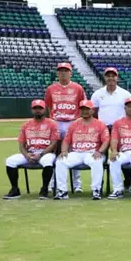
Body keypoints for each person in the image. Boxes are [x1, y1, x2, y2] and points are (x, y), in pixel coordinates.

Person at [3, 100, 59, 200]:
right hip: (30, 153)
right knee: (10, 161)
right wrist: (26, 155)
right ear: (32, 110)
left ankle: (44, 189)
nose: (38, 110)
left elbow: (53, 143)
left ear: (45, 109)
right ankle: (15, 189)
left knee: (47, 161)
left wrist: (40, 154)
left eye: (40, 108)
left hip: (46, 153)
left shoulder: (52, 124)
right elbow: (21, 144)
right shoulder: (26, 125)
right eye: (35, 108)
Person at [55, 100, 110, 201]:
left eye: (87, 109)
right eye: (82, 109)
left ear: (92, 110)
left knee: (96, 161)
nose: (84, 111)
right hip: (76, 153)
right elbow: (66, 140)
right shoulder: (74, 124)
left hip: (92, 152)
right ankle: (62, 191)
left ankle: (96, 190)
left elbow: (106, 140)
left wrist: (100, 152)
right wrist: (63, 151)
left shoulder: (100, 124)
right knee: (60, 161)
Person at [44, 62, 86, 194]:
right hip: (56, 121)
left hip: (72, 121)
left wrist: (79, 121)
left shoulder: (78, 88)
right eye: (61, 71)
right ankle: (52, 182)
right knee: (53, 151)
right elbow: (48, 106)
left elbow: (83, 105)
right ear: (57, 73)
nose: (63, 73)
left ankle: (76, 184)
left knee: (74, 152)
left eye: (66, 70)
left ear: (70, 73)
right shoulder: (51, 88)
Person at [91, 67, 131, 192]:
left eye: (113, 76)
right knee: (100, 156)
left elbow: (130, 111)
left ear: (117, 77)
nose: (110, 78)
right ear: (105, 77)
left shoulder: (125, 94)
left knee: (123, 154)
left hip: (121, 129)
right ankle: (100, 184)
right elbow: (94, 112)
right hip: (103, 128)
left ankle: (127, 182)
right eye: (108, 76)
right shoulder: (97, 94)